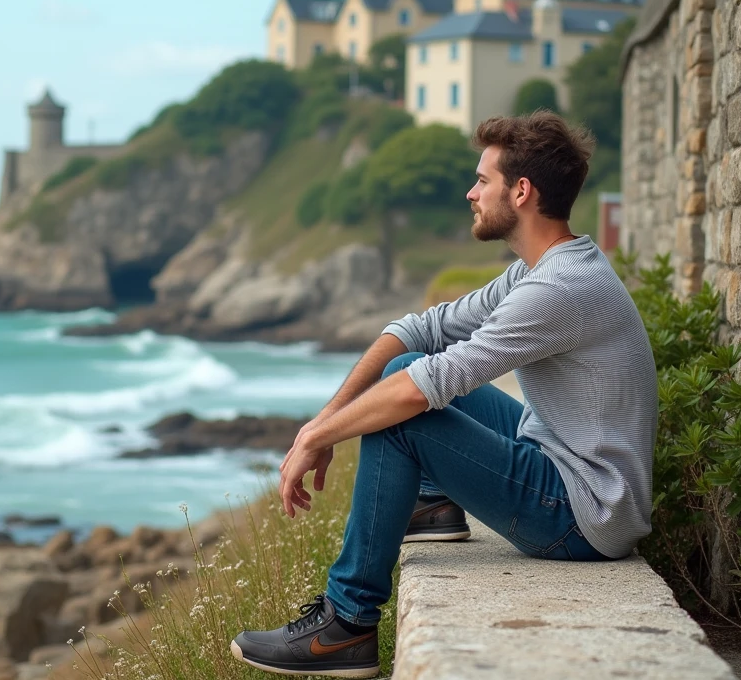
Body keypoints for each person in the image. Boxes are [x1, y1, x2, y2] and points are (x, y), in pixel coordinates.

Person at [230, 111, 658, 678]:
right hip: (563, 459)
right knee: (407, 365)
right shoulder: (541, 268)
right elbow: (422, 331)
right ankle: (432, 504)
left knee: (403, 413)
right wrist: (325, 421)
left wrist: (317, 436)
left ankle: (347, 625)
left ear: (522, 192)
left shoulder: (559, 287)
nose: (470, 192)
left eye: (483, 180)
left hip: (584, 514)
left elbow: (423, 391)